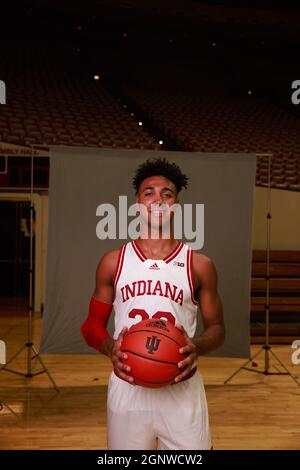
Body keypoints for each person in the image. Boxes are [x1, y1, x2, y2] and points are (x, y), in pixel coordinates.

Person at [81, 157, 225, 450]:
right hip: (128, 386)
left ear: (176, 205)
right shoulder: (113, 262)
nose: (157, 200)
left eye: (167, 194)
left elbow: (218, 328)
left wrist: (197, 346)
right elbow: (91, 325)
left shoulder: (199, 265)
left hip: (181, 388)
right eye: (149, 193)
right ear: (137, 203)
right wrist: (111, 347)